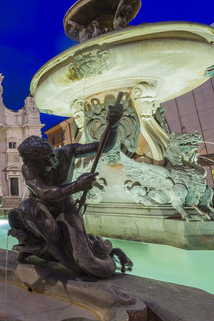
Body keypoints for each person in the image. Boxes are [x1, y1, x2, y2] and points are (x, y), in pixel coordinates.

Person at [8, 103, 132, 279]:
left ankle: (98, 250)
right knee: (24, 209)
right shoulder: (28, 168)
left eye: (52, 155)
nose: (52, 161)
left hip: (66, 208)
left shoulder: (68, 152)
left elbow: (104, 147)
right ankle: (34, 244)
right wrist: (76, 186)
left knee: (92, 265)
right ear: (33, 164)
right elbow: (44, 193)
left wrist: (113, 125)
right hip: (41, 211)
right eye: (46, 162)